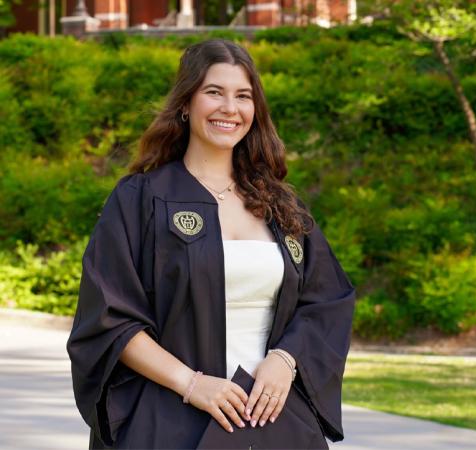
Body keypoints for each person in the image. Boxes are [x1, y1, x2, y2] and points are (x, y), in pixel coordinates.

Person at [66, 38, 356, 449]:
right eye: (213, 92)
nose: (229, 109)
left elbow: (327, 300)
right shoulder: (142, 199)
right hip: (170, 420)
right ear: (186, 103)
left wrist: (286, 360)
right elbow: (109, 318)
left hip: (274, 419)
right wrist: (193, 384)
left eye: (243, 96)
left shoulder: (280, 206)